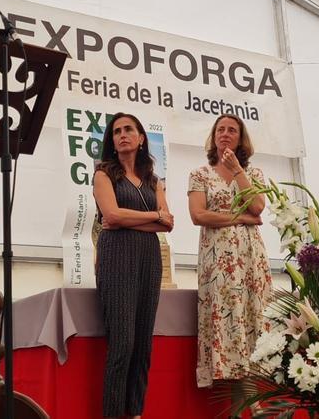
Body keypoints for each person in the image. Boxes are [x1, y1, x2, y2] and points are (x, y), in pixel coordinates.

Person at [93, 113, 173, 419]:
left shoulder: (154, 181)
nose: (122, 134)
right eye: (116, 131)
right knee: (122, 346)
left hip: (148, 261)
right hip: (116, 260)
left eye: (129, 130)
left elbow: (168, 225)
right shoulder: (104, 174)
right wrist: (153, 216)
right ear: (112, 141)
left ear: (141, 139)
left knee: (143, 348)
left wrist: (134, 220)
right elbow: (110, 216)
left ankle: (136, 413)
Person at [188, 113, 270, 389]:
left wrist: (237, 171)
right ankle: (234, 394)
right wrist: (241, 218)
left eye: (231, 130)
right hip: (217, 259)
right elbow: (198, 215)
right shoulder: (200, 174)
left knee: (250, 313)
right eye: (220, 129)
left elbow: (258, 207)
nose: (225, 134)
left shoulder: (253, 173)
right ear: (213, 136)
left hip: (249, 258)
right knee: (225, 313)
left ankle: (252, 395)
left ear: (240, 138)